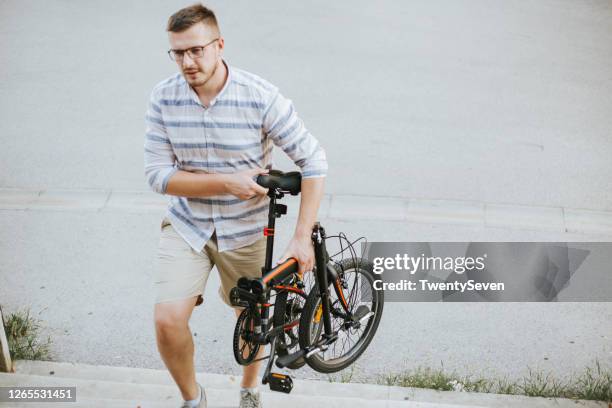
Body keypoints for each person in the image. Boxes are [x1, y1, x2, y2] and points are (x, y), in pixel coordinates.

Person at [143, 4, 327, 408]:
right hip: (188, 225)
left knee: (253, 325)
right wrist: (226, 182)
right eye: (178, 53)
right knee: (167, 320)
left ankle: (250, 390)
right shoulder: (163, 98)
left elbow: (313, 161)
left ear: (219, 45)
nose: (187, 62)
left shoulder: (259, 96)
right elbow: (158, 175)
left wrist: (301, 238)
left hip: (247, 230)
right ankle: (194, 400)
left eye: (196, 50)